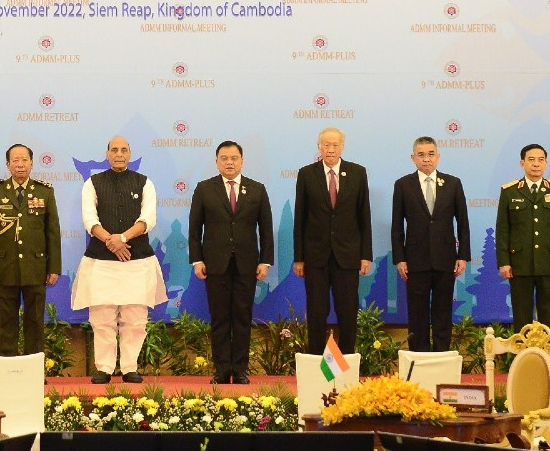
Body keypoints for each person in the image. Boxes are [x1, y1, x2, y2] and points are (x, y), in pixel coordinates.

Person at [71, 136, 167, 383]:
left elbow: (148, 219)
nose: (119, 154)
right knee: (102, 318)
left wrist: (122, 238)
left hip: (137, 261)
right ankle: (103, 368)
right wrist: (111, 242)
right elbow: (89, 220)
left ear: (130, 153)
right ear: (107, 154)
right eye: (114, 150)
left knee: (135, 318)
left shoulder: (145, 183)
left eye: (124, 150)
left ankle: (128, 367)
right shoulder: (92, 183)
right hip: (100, 261)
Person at [188, 140, 273, 384]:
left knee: (243, 317)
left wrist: (265, 261)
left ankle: (241, 370)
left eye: (234, 158)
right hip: (215, 264)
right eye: (224, 158)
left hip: (247, 264)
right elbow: (195, 228)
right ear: (216, 162)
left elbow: (266, 229)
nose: (229, 162)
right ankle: (222, 371)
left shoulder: (257, 189)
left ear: (242, 161)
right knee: (220, 318)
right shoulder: (205, 189)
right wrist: (197, 260)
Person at [293, 127, 372, 353]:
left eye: (335, 145)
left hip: (347, 256)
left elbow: (363, 215)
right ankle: (316, 361)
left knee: (347, 311)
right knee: (317, 311)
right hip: (315, 257)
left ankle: (346, 362)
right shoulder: (307, 174)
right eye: (326, 145)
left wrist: (365, 254)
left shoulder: (357, 173)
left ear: (342, 147)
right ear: (319, 147)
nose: (330, 149)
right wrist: (299, 258)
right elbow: (300, 218)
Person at [0, 144, 62, 356]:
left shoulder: (45, 191)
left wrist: (54, 267)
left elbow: (52, 232)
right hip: (5, 266)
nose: (20, 165)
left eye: (24, 160)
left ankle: (33, 370)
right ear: (8, 165)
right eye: (15, 160)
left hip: (36, 267)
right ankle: (7, 367)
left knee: (35, 321)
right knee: (7, 320)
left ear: (32, 163)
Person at [391, 137, 470, 352]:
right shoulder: (403, 185)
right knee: (417, 313)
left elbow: (462, 222)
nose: (426, 159)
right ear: (413, 158)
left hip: (446, 259)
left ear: (438, 156)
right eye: (421, 155)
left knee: (443, 312)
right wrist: (400, 258)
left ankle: (442, 356)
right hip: (415, 260)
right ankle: (419, 357)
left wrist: (462, 255)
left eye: (431, 154)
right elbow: (397, 226)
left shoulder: (453, 183)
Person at [495, 143, 550, 332]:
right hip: (519, 263)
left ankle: (548, 359)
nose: (536, 164)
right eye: (531, 160)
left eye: (541, 160)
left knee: (549, 317)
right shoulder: (510, 191)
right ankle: (523, 359)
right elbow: (503, 229)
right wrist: (504, 261)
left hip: (549, 262)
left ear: (546, 163)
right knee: (522, 317)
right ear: (522, 163)